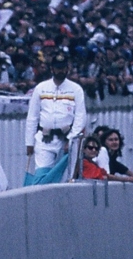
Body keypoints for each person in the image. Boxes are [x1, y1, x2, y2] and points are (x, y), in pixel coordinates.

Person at [23, 56, 87, 185]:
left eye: (63, 68)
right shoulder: (41, 88)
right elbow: (32, 116)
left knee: (66, 178)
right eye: (58, 68)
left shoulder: (76, 89)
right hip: (45, 138)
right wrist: (29, 142)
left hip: (66, 138)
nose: (60, 71)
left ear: (67, 69)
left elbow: (80, 116)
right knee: (42, 176)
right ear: (52, 69)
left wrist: (72, 139)